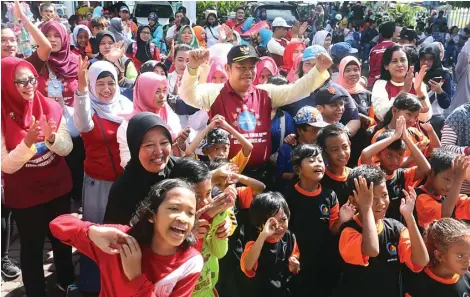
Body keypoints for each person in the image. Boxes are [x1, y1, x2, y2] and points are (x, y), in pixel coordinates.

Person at [180, 45, 332, 179]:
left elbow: (296, 90)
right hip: (225, 175)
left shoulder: (266, 93)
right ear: (228, 69)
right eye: (241, 67)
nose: (248, 72)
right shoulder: (214, 92)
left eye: (251, 67)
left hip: (261, 174)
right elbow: (189, 96)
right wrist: (192, 68)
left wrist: (319, 69)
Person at [50, 179, 204, 297]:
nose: (183, 218)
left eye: (190, 213)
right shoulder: (118, 241)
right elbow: (58, 224)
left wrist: (136, 277)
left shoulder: (190, 262)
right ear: (152, 215)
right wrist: (91, 232)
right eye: (174, 209)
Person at [1, 57, 75, 295]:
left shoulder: (51, 107)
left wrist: (52, 139)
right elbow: (6, 165)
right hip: (25, 195)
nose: (28, 85)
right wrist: (28, 143)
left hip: (57, 187)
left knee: (63, 239)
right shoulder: (1, 116)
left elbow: (67, 148)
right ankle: (35, 291)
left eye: (31, 79)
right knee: (31, 246)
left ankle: (66, 282)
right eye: (19, 81)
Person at [73, 57, 133, 294]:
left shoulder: (126, 106)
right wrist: (81, 89)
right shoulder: (88, 108)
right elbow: (81, 122)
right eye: (100, 84)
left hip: (125, 182)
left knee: (122, 232)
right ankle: (93, 284)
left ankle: (119, 281)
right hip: (98, 184)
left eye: (110, 83)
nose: (106, 89)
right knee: (97, 233)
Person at [335, 166, 429, 297]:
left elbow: (421, 261)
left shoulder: (396, 228)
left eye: (384, 195)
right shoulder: (349, 230)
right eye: (372, 198)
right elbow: (372, 250)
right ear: (353, 200)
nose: (381, 203)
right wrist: (366, 207)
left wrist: (409, 217)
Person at [283, 144, 355, 297]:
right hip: (298, 261)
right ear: (298, 169)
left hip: (323, 261)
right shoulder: (288, 196)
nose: (318, 164)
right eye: (311, 160)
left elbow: (333, 230)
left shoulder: (330, 195)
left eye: (320, 160)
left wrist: (342, 219)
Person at [360, 117, 432, 222]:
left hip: (397, 227)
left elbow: (426, 169)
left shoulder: (402, 175)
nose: (395, 160)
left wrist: (407, 139)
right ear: (378, 155)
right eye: (389, 155)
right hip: (374, 224)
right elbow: (365, 154)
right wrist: (394, 137)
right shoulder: (372, 173)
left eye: (399, 155)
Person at [282, 46, 361, 137]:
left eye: (317, 64)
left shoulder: (338, 91)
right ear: (301, 67)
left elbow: (355, 119)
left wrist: (341, 135)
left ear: (326, 67)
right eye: (308, 64)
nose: (312, 69)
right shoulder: (291, 90)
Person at [117, 73, 185, 168]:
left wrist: (181, 142)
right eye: (157, 91)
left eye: (164, 91)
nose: (162, 96)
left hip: (174, 173)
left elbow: (181, 148)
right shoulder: (130, 125)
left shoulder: (170, 115)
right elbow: (126, 160)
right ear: (144, 93)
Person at [240, 192, 300, 297]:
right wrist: (263, 235)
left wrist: (294, 264)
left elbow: (294, 258)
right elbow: (247, 266)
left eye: (283, 220)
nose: (278, 227)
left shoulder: (289, 237)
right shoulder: (255, 244)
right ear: (259, 225)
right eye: (271, 223)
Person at [407, 218, 470, 297]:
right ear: (439, 256)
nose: (468, 262)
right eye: (460, 256)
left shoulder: (467, 278)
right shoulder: (420, 288)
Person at [371, 45, 432, 122]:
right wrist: (404, 91)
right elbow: (382, 114)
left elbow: (425, 118)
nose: (399, 65)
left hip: (414, 131)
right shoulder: (380, 84)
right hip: (390, 131)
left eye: (403, 60)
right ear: (386, 66)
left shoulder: (416, 82)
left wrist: (419, 91)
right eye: (394, 61)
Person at [372, 94, 440, 161]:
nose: (412, 120)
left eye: (416, 117)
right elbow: (382, 167)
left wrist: (431, 132)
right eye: (409, 114)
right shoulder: (380, 136)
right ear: (394, 111)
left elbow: (437, 152)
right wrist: (413, 157)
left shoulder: (415, 133)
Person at [415, 150, 470, 230]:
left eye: (453, 181)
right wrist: (458, 181)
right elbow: (444, 216)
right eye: (447, 179)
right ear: (431, 173)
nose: (449, 186)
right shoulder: (420, 198)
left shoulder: (450, 197)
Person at [276, 106, 328, 188]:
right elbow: (280, 175)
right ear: (300, 130)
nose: (317, 134)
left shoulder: (322, 146)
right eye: (313, 130)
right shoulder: (287, 148)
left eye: (319, 130)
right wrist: (301, 175)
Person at [186, 115, 253, 173]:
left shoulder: (233, 166)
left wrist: (227, 126)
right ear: (207, 151)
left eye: (225, 148)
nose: (221, 153)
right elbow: (189, 152)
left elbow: (248, 147)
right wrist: (209, 127)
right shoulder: (203, 170)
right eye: (216, 148)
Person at [37, 21, 79, 107]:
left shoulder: (76, 62)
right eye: (47, 36)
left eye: (57, 36)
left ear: (64, 38)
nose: (52, 39)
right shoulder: (36, 62)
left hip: (72, 117)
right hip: (45, 117)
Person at [1, 1, 51, 69]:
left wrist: (21, 16)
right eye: (2, 40)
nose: (9, 44)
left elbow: (46, 47)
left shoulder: (23, 65)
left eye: (13, 40)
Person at [317, 125, 351, 206]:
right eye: (335, 149)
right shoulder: (319, 180)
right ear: (323, 152)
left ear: (350, 145)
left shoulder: (355, 176)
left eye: (345, 147)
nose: (342, 153)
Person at [368, 21, 396, 87]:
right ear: (393, 33)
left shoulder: (373, 49)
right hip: (391, 84)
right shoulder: (398, 48)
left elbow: (370, 69)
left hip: (373, 83)